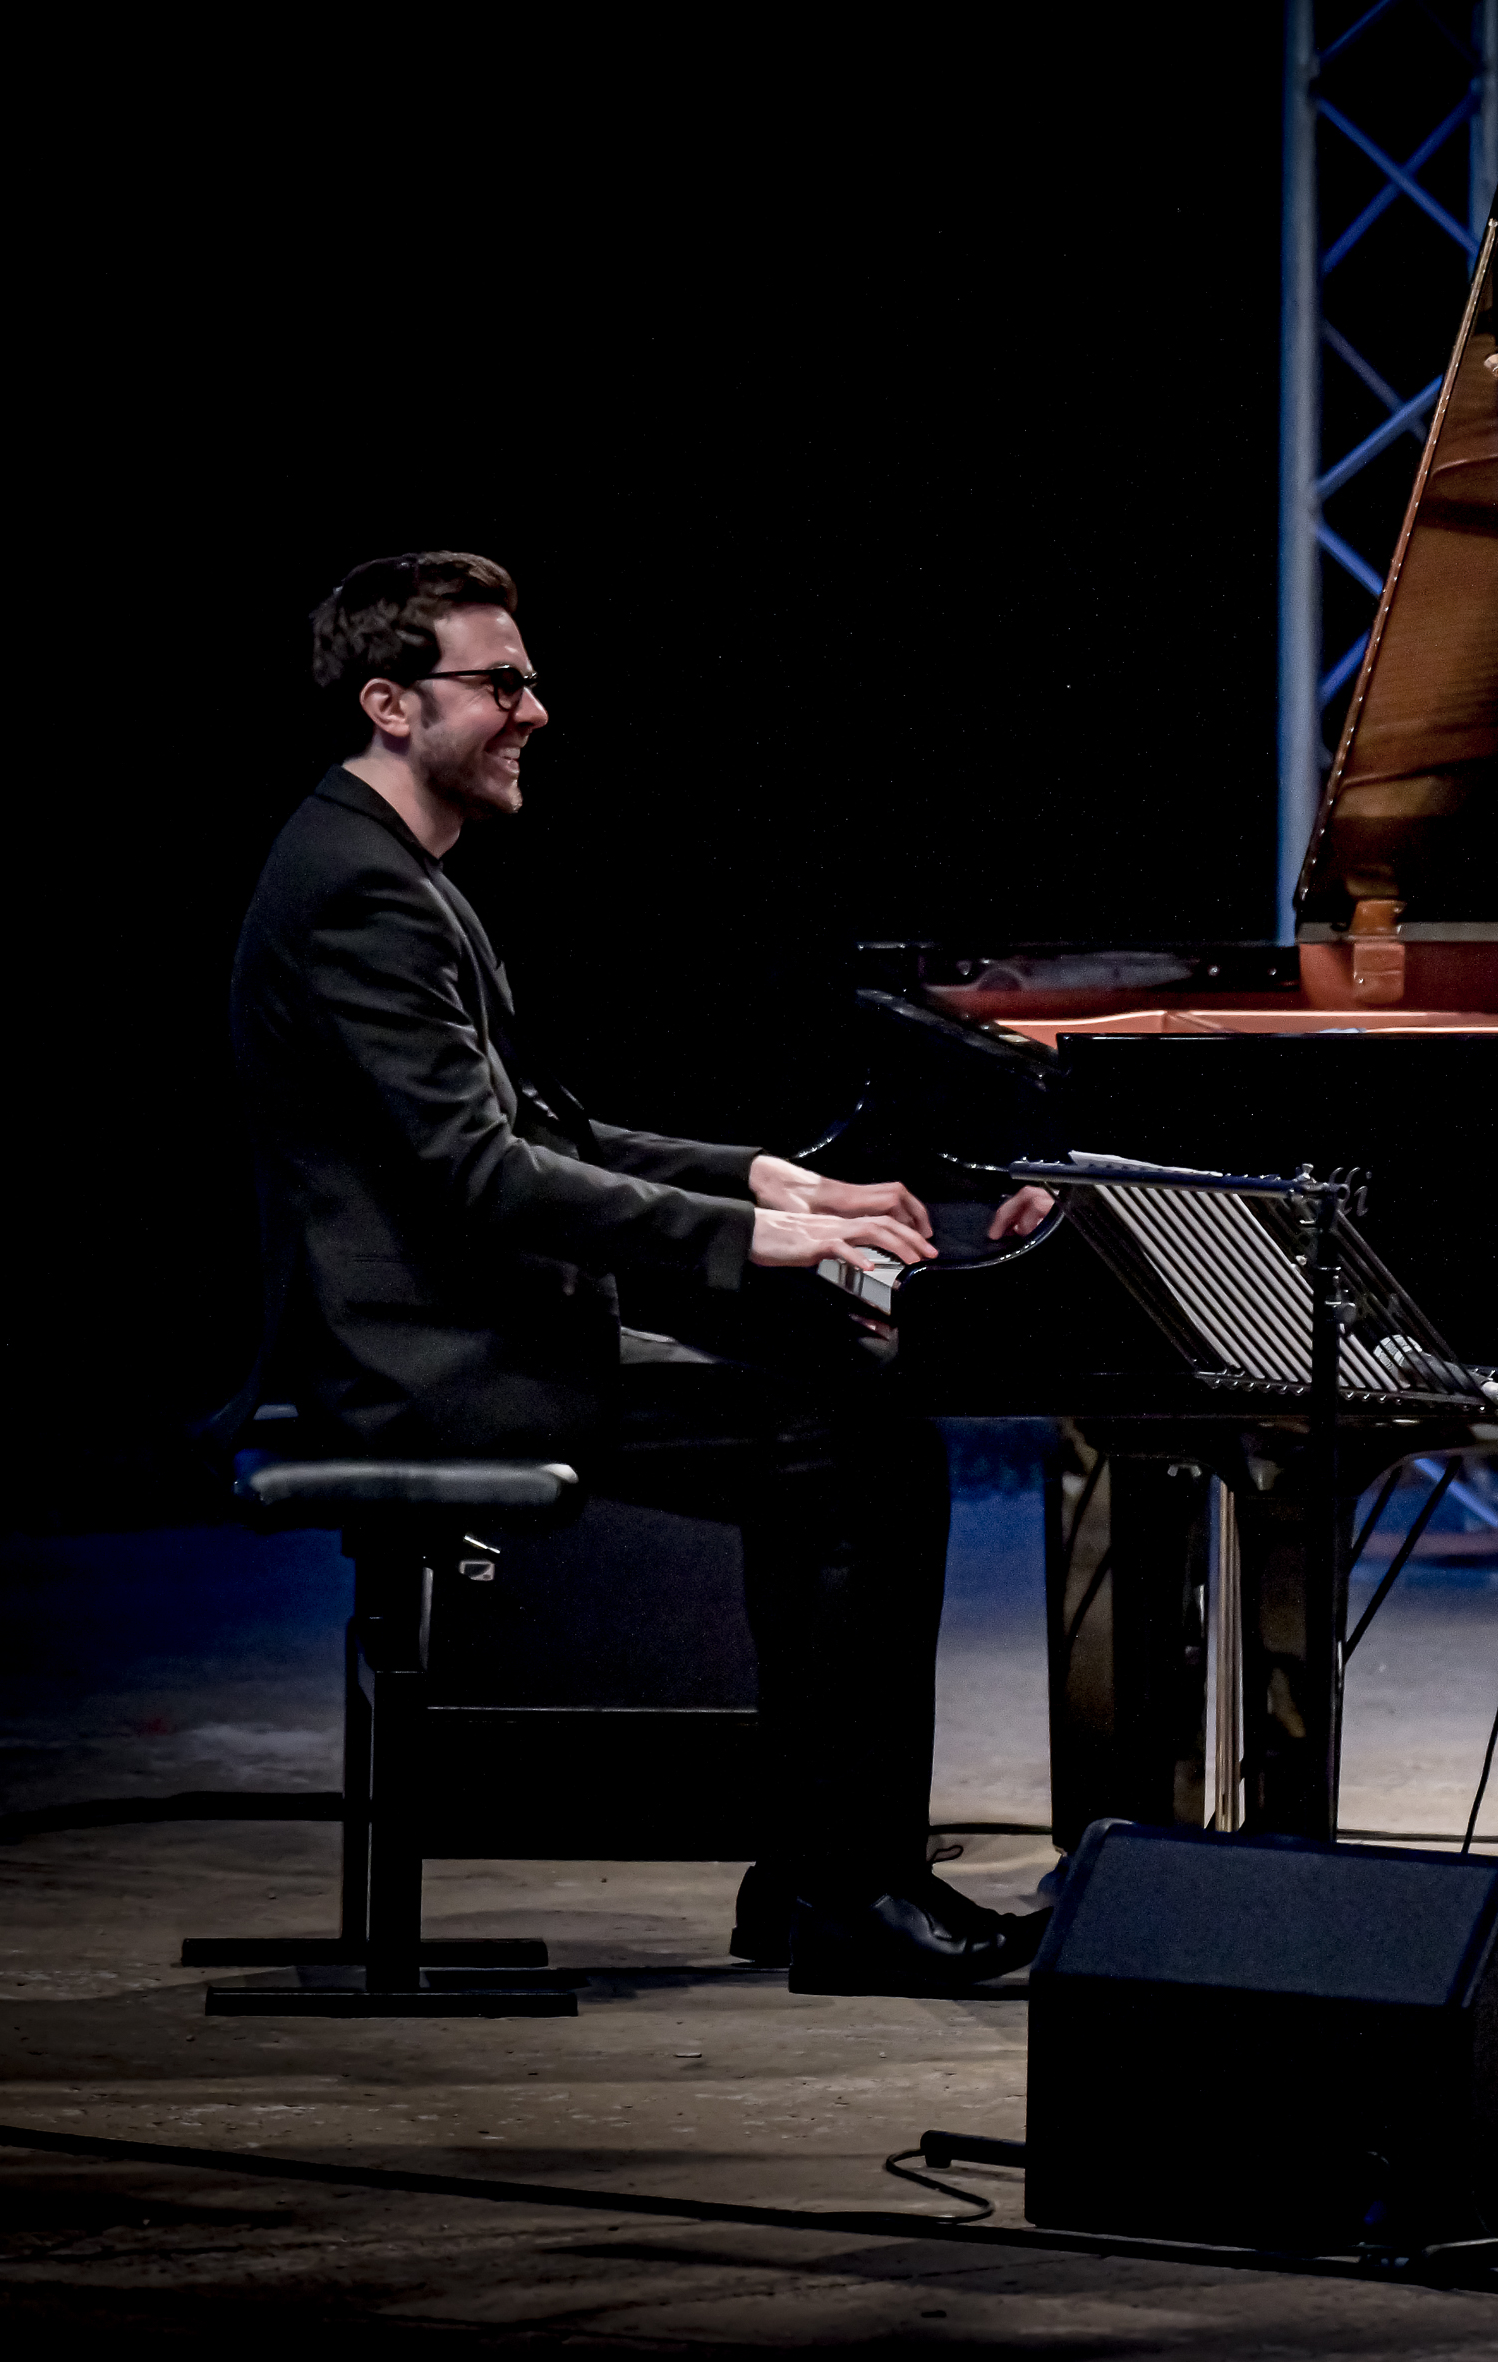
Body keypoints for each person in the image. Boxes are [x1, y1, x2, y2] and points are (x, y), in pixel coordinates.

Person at [228, 551, 1051, 1994]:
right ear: (390, 703)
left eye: (529, 679)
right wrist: (756, 1241)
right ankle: (848, 1894)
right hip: (421, 1363)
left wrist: (764, 1177)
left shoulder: (376, 866)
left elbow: (539, 1132)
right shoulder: (362, 893)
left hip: (443, 1333)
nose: (534, 710)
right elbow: (482, 1176)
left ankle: (812, 1877)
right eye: (500, 683)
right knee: (858, 1448)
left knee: (839, 1419)